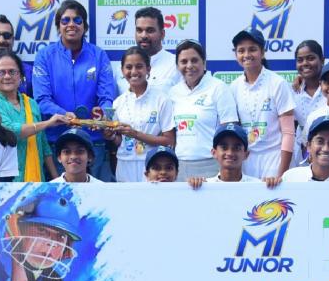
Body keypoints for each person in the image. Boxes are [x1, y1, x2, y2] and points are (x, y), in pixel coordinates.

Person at [33, 0, 116, 182]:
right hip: (58, 143)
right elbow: (42, 100)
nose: (71, 24)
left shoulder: (98, 55)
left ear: (84, 26)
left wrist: (104, 117)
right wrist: (64, 114)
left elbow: (107, 97)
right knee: (59, 198)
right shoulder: (45, 56)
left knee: (99, 197)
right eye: (65, 20)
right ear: (58, 26)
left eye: (77, 20)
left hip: (94, 142)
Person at [0, 50, 69, 182]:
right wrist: (48, 123)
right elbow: (11, 131)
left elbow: (43, 144)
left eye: (12, 72)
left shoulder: (31, 104)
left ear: (21, 76)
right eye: (1, 72)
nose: (7, 76)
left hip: (37, 179)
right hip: (7, 182)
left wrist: (56, 179)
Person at [229, 29, 295, 180]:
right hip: (246, 160)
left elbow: (288, 132)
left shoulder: (278, 83)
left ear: (263, 52)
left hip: (274, 157)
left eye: (252, 49)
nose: (246, 55)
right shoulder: (234, 87)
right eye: (241, 51)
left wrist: (282, 173)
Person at [170, 39, 238, 181]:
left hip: (211, 163)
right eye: (184, 62)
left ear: (204, 62)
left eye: (194, 60)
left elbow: (230, 129)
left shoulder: (218, 88)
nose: (189, 66)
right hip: (180, 164)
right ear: (177, 66)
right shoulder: (173, 92)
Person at [106, 46, 175, 182]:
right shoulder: (118, 103)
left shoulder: (161, 99)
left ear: (148, 69)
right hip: (124, 165)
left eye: (139, 66)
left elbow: (169, 140)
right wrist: (111, 136)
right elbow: (120, 141)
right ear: (122, 70)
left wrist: (136, 134)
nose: (134, 72)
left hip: (152, 166)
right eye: (128, 67)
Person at [115, 7, 181, 94]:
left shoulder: (176, 65)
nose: (144, 36)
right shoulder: (122, 68)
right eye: (139, 30)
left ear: (162, 34)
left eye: (150, 30)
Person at [272, 115, 329, 184]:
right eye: (320, 141)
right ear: (308, 146)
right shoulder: (291, 178)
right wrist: (271, 186)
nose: (326, 149)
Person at [292, 40, 326, 163]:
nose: (305, 63)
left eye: (311, 58)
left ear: (322, 60)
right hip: (300, 156)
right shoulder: (292, 91)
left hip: (327, 153)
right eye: (300, 60)